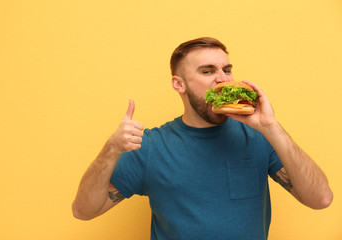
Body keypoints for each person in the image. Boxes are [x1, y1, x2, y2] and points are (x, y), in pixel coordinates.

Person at [72, 37, 333, 239]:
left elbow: (321, 199)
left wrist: (272, 126)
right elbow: (83, 211)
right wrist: (111, 150)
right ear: (179, 84)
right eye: (207, 72)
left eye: (227, 70)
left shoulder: (259, 136)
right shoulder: (151, 146)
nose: (222, 80)